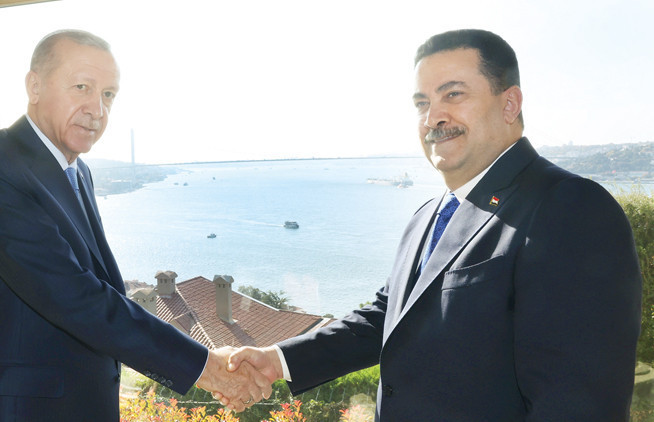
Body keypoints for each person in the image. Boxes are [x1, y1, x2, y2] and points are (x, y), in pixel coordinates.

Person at [226, 29, 643, 420]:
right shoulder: (427, 215)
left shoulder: (570, 208)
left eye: (453, 95)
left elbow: (577, 403)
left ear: (509, 104)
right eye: (422, 103)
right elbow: (388, 318)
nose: (433, 118)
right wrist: (278, 359)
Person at [0, 29, 269, 422]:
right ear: (34, 86)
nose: (97, 110)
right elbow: (73, 296)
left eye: (108, 94)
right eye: (81, 87)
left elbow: (99, 290)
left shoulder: (78, 172)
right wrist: (205, 366)